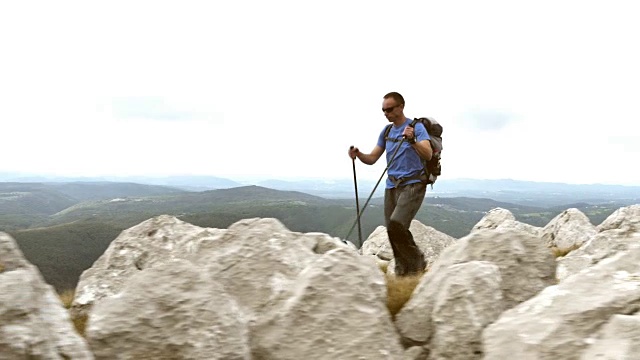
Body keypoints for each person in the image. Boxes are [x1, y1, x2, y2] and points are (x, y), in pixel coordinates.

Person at [348, 92, 433, 276]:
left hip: (414, 184)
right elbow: (372, 158)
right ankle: (404, 271)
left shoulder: (416, 127)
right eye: (383, 110)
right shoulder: (387, 131)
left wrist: (412, 140)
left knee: (396, 224)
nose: (386, 113)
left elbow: (428, 154)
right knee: (392, 231)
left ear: (401, 106)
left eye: (389, 109)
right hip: (392, 186)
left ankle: (417, 261)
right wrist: (359, 154)